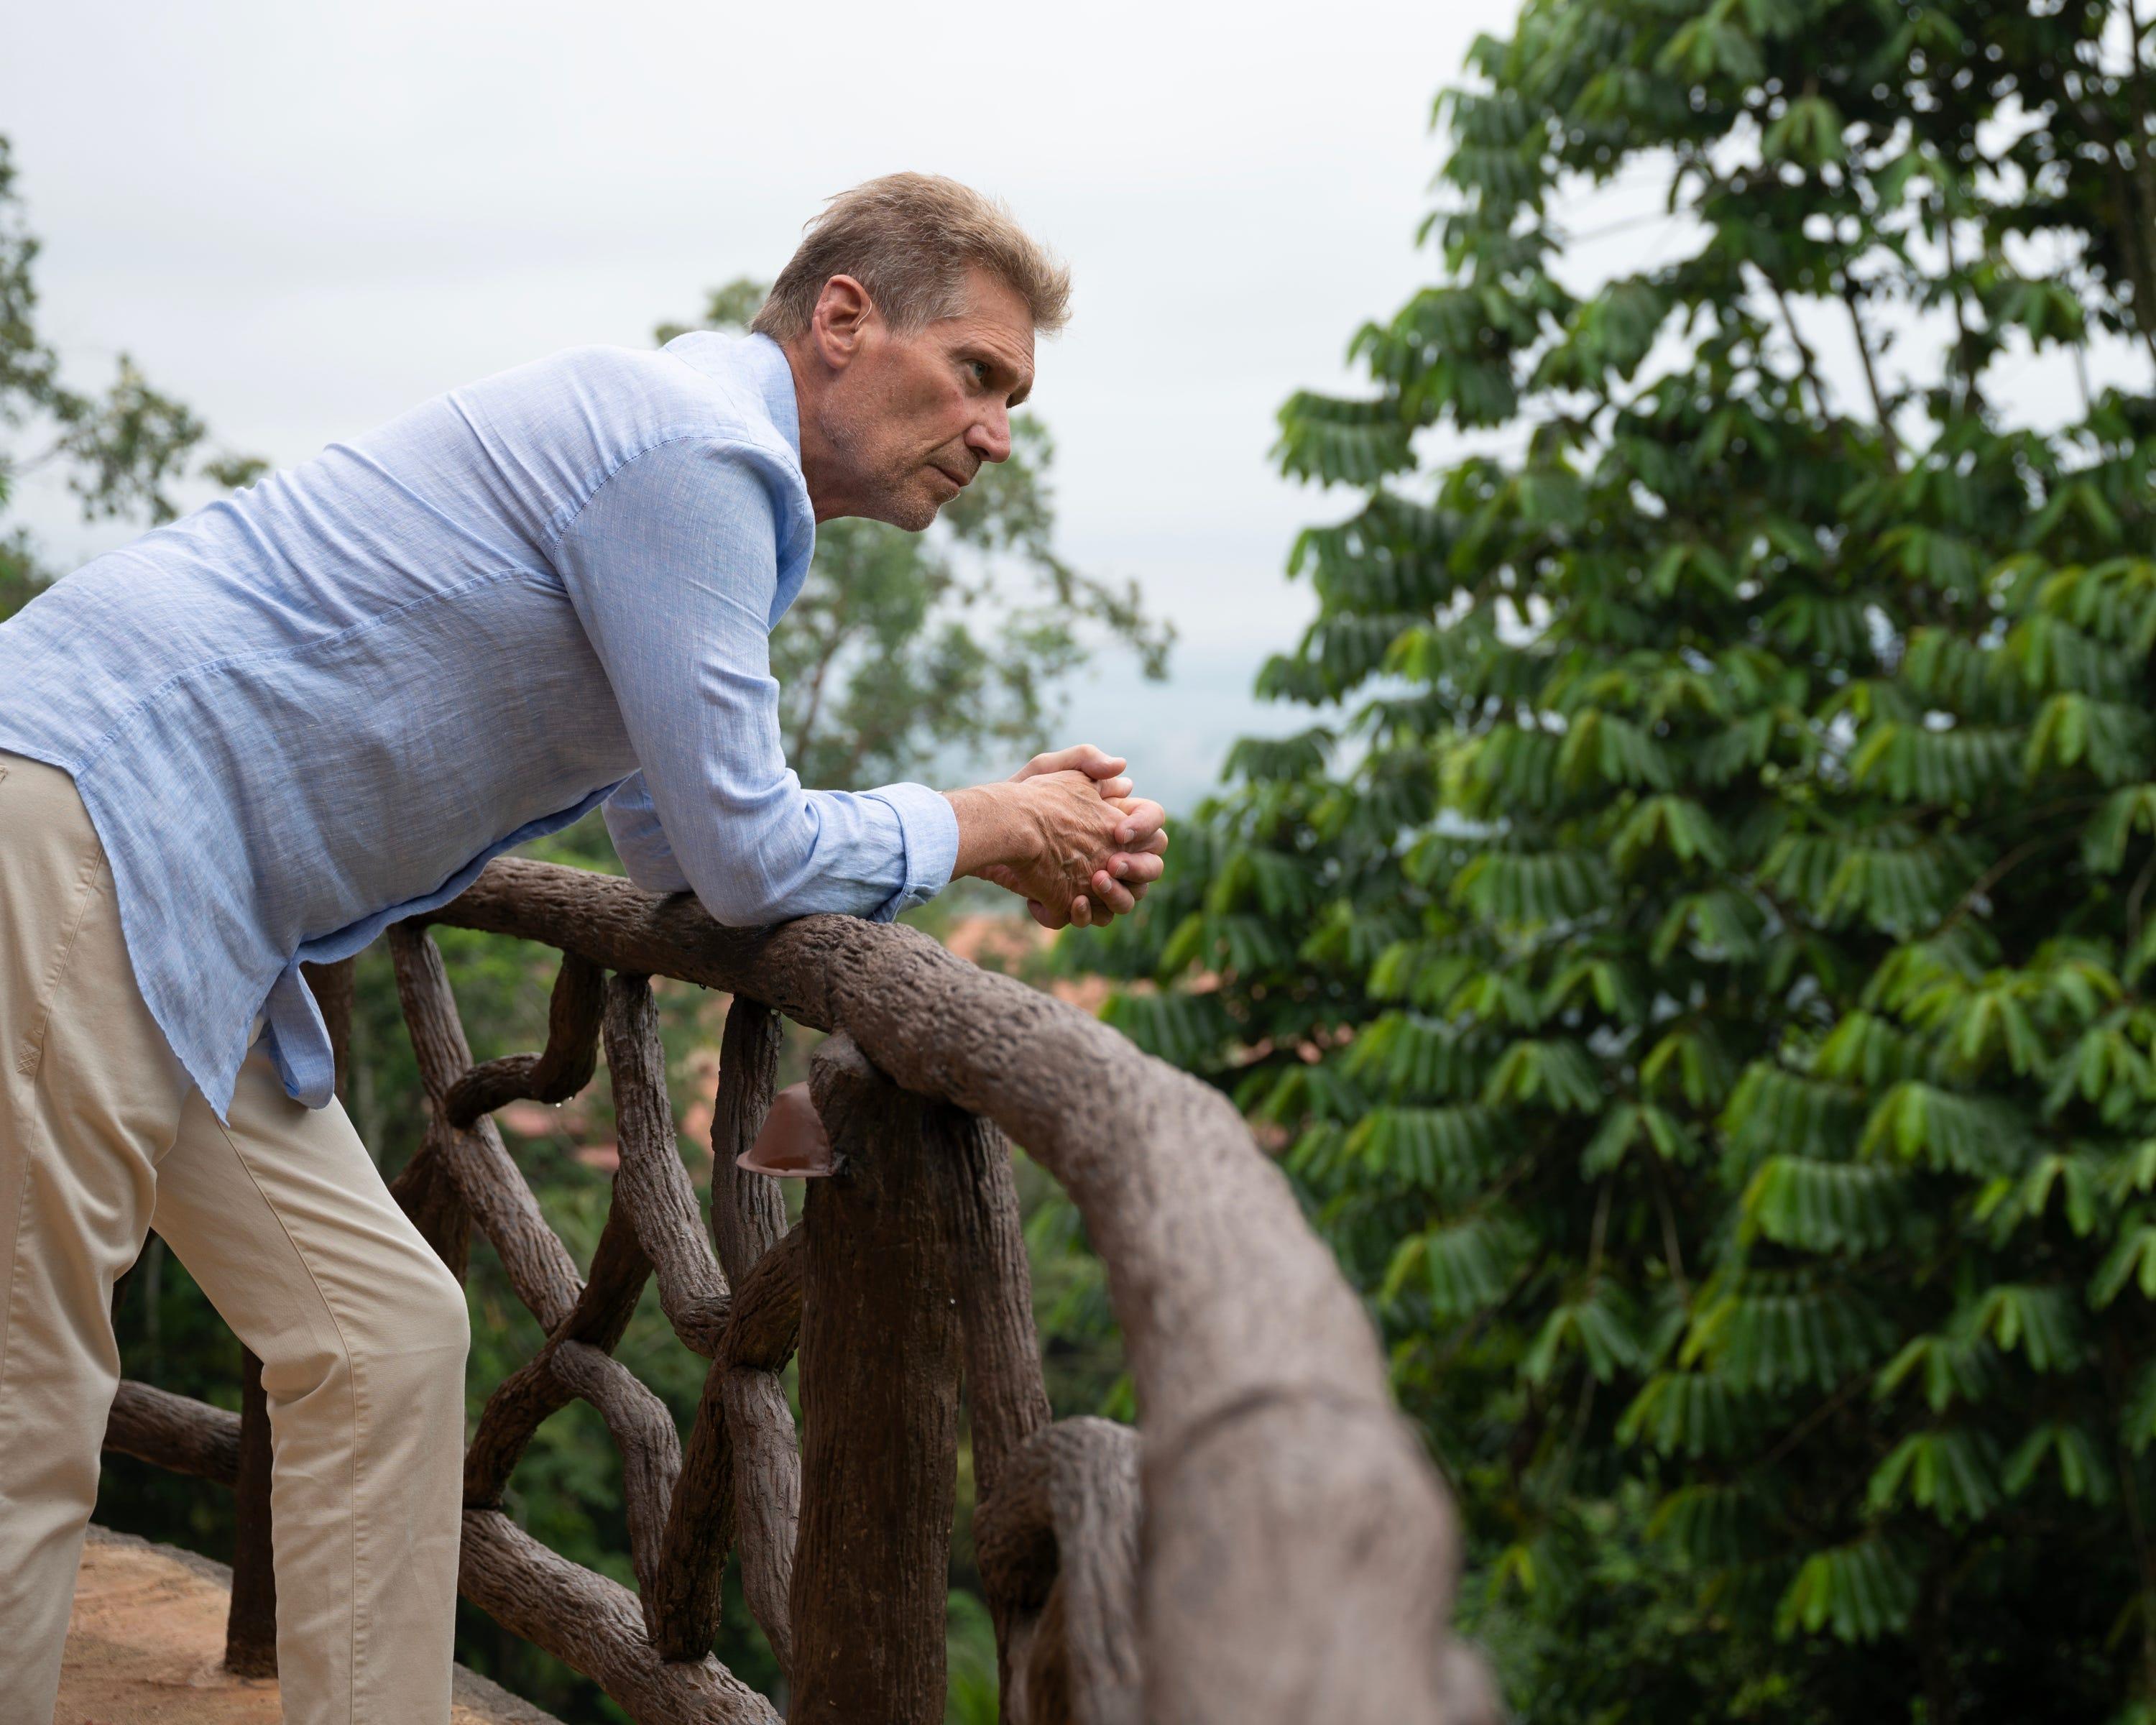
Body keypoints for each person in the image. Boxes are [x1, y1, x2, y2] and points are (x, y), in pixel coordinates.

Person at [0, 172, 1168, 1724]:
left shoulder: (688, 469)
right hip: (83, 817)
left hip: (175, 904)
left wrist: (1002, 835)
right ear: (843, 320)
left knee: (384, 1336)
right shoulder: (695, 454)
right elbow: (745, 853)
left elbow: (682, 856)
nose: (1000, 433)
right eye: (980, 374)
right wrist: (989, 822)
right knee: (25, 1404)